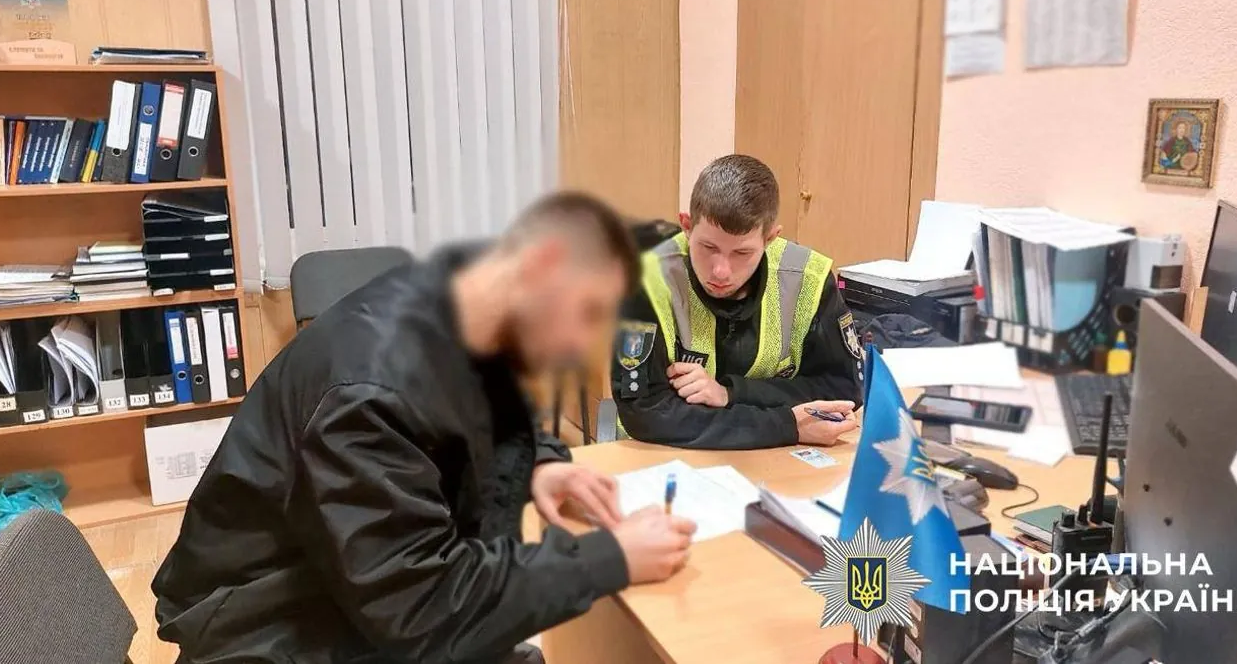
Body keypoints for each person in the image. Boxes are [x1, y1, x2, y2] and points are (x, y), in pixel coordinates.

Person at [152, 193, 697, 664]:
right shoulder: (368, 400)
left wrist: (541, 465)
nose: (582, 344)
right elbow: (423, 610)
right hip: (264, 628)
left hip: (344, 588)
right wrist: (610, 558)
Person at [611, 154, 864, 450]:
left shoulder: (809, 277)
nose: (721, 271)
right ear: (686, 226)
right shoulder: (645, 279)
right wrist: (785, 425)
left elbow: (844, 390)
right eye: (708, 247)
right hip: (662, 457)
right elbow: (645, 412)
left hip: (777, 456)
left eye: (742, 253)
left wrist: (730, 393)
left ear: (770, 238)